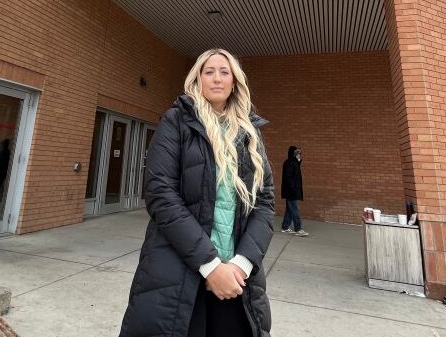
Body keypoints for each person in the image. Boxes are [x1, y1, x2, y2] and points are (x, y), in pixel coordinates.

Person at [120, 49, 274, 337]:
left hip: (236, 281)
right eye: (209, 71)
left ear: (234, 82)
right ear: (197, 79)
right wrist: (211, 266)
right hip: (180, 276)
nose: (217, 78)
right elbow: (160, 194)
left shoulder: (250, 132)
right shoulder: (176, 121)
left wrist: (241, 266)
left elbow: (265, 202)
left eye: (224, 72)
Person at [280, 146, 308, 236]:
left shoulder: (294, 163)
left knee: (289, 210)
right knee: (295, 209)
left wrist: (299, 162)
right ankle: (298, 229)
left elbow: (294, 174)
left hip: (292, 191)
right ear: (293, 154)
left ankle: (285, 227)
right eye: (297, 153)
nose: (299, 155)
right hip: (291, 192)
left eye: (300, 153)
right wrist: (293, 189)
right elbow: (288, 178)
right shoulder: (289, 163)